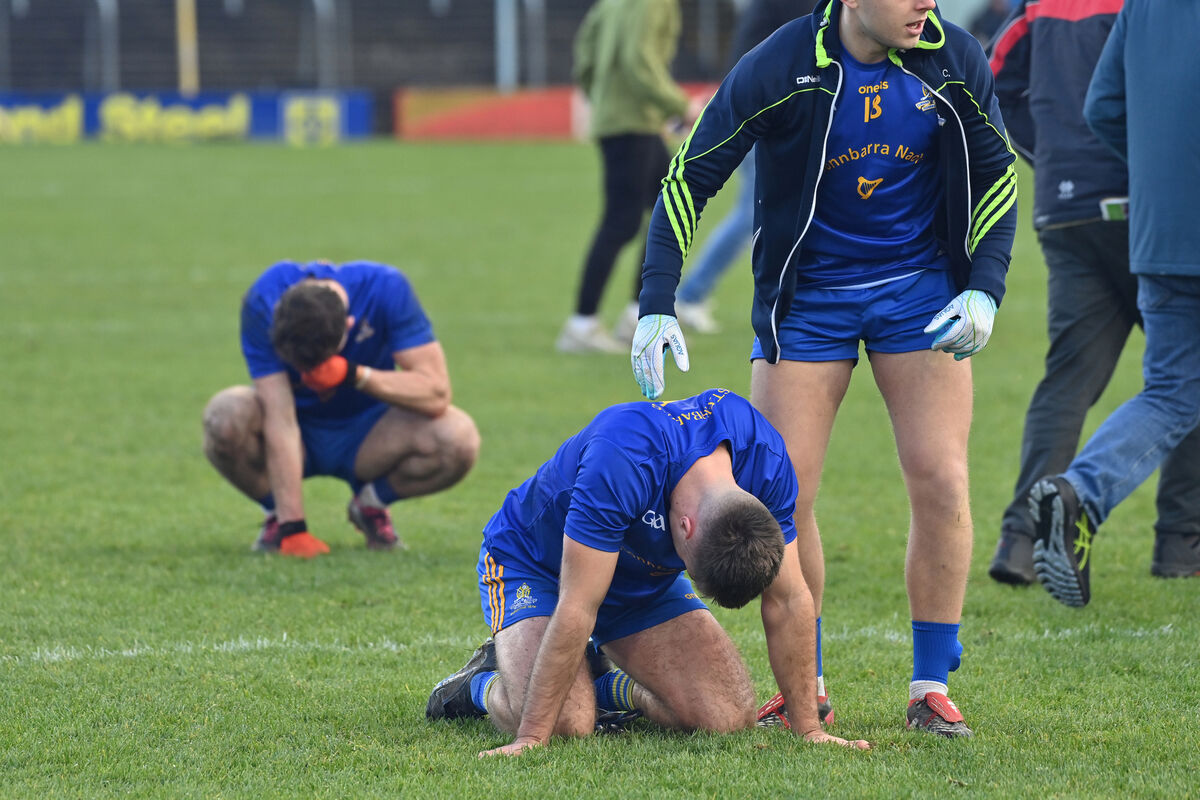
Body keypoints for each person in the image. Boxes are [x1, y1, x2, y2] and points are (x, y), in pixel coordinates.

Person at [630, 0, 1018, 737]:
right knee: (785, 496)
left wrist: (984, 288)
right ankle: (804, 686)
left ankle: (931, 687)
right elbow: (689, 176)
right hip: (806, 302)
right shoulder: (780, 67)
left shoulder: (951, 57)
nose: (926, 3)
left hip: (921, 293)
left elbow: (998, 173)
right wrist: (657, 302)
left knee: (942, 478)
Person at [425, 388, 870, 755]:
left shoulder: (766, 461)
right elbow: (578, 605)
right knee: (567, 725)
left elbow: (790, 598)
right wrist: (531, 737)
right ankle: (479, 684)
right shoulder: (623, 458)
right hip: (536, 564)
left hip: (641, 577)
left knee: (726, 716)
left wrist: (809, 728)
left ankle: (600, 681)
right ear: (685, 527)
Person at [985, 0, 1200, 588]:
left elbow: (1002, 80)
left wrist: (1059, 158)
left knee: (1119, 384)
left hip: (1089, 210)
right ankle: (1181, 541)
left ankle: (1027, 535)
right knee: (1183, 384)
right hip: (1149, 208)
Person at [202, 260, 481, 557]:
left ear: (350, 325)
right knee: (225, 415)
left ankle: (370, 505)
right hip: (297, 429)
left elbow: (436, 392)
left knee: (458, 437)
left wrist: (355, 375)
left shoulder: (386, 288)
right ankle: (278, 514)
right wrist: (293, 528)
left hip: (372, 434)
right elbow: (280, 417)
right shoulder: (264, 300)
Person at [557, 0, 702, 354]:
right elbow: (639, 61)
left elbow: (586, 53)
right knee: (623, 222)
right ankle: (582, 324)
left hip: (627, 120)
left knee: (667, 211)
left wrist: (604, 98)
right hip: (633, 123)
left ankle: (638, 315)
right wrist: (680, 106)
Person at [673, 0, 815, 335]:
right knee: (752, 213)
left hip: (759, 108)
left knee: (763, 211)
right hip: (763, 113)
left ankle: (694, 295)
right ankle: (690, 295)